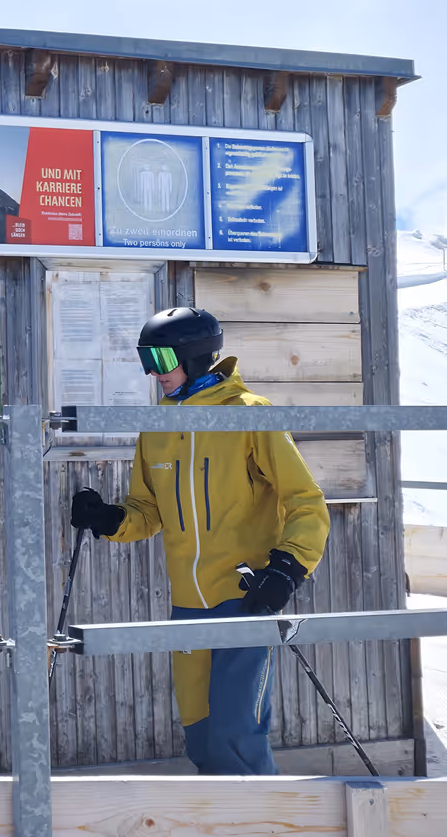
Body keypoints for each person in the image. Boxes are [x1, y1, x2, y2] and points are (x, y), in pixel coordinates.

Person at [68, 309, 329, 776]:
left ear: (193, 356)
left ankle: (258, 826)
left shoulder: (249, 415)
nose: (151, 371)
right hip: (188, 606)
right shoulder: (159, 428)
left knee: (236, 735)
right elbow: (147, 513)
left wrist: (288, 569)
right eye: (145, 358)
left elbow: (307, 502)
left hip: (245, 600)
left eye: (160, 357)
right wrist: (108, 519)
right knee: (202, 737)